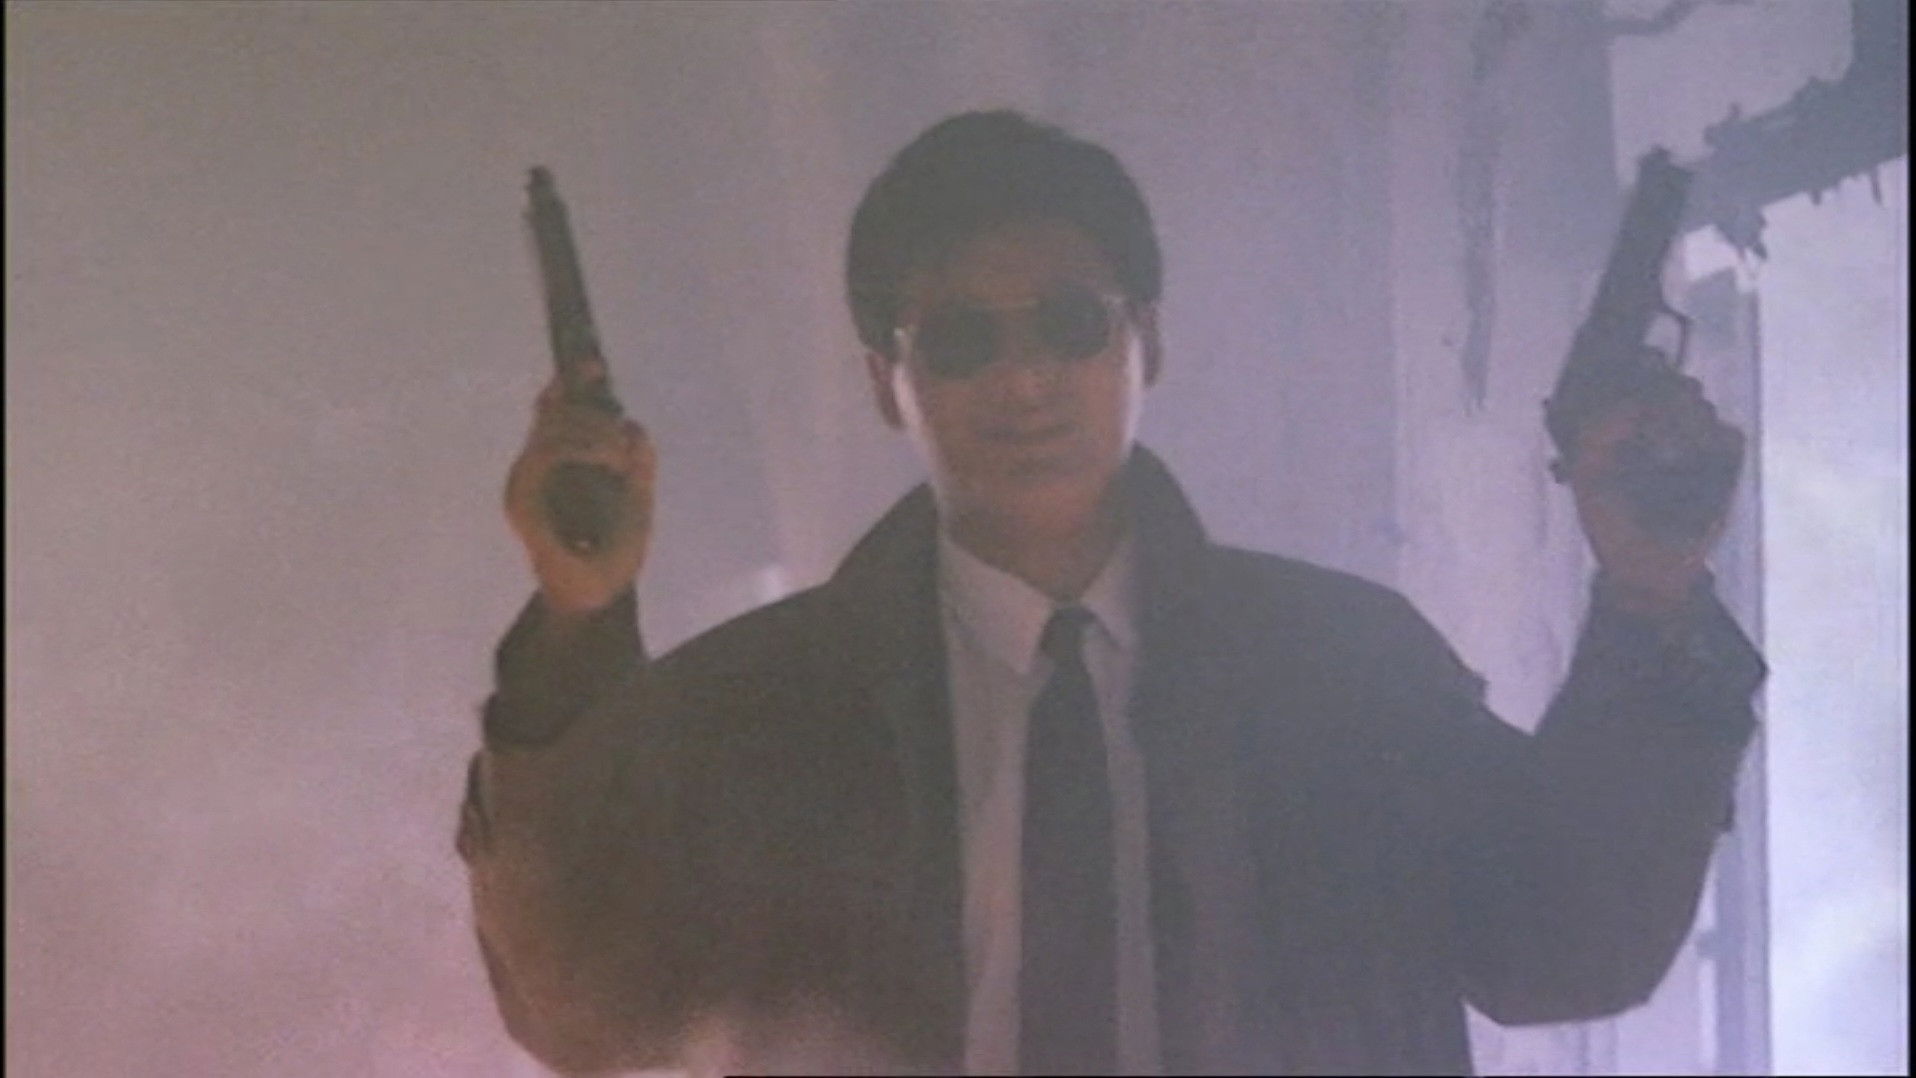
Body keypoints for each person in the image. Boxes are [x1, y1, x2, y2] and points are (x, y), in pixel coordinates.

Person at [457, 110, 1764, 1076]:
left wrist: (1653, 598)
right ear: (884, 382)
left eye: (1071, 323)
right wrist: (576, 624)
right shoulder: (768, 707)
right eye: (959, 339)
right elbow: (586, 1005)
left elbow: (1565, 944)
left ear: (1148, 339)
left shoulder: (1342, 674)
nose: (1023, 378)